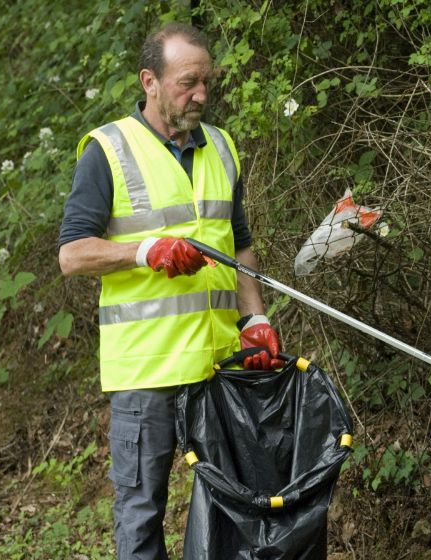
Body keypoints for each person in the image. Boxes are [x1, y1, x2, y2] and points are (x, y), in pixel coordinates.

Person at [58, 22, 282, 559]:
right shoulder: (109, 150)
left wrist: (254, 319)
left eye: (206, 82)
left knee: (238, 514)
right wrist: (144, 251)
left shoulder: (222, 147)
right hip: (146, 377)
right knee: (141, 521)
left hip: (218, 368)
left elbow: (240, 245)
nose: (201, 94)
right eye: (188, 82)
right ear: (150, 82)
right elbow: (72, 254)